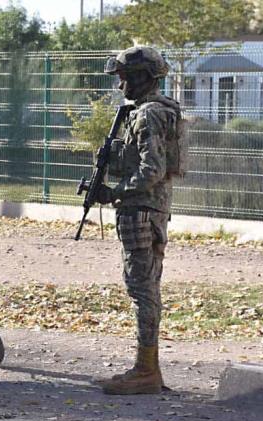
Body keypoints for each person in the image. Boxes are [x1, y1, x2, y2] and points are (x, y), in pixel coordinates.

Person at [96, 46, 183, 394]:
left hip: (140, 211)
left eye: (124, 78)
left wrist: (113, 192)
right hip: (151, 210)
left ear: (142, 77)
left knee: (141, 289)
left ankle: (146, 370)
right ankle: (147, 367)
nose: (121, 86)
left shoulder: (148, 115)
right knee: (146, 287)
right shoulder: (154, 112)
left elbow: (152, 169)